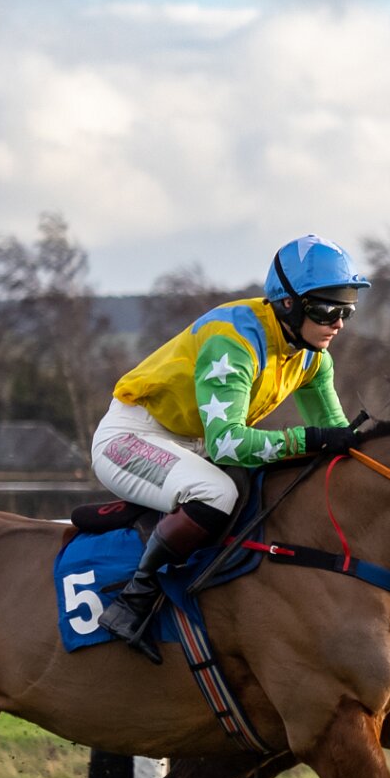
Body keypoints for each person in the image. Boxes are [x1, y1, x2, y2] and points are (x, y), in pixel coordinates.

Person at [90, 233, 367, 662]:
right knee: (216, 493)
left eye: (347, 310)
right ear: (288, 304)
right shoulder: (233, 341)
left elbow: (337, 436)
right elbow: (228, 444)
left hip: (194, 446)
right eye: (328, 310)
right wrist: (308, 440)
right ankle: (133, 601)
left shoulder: (313, 357)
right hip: (131, 438)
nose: (339, 323)